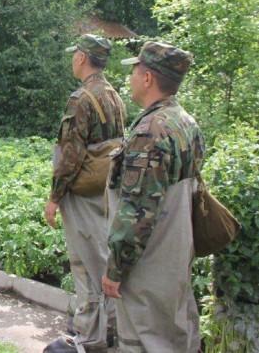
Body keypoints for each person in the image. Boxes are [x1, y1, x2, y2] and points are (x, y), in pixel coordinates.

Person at [102, 41, 202, 352]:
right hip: (176, 254)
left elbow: (137, 212)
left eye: (134, 71)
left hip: (149, 263)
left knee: (144, 339)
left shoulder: (150, 132)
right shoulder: (185, 121)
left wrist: (115, 269)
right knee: (175, 336)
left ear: (147, 78)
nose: (130, 77)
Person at [44, 34, 127, 353]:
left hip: (81, 193)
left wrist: (54, 197)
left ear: (81, 57)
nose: (72, 60)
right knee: (101, 256)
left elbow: (71, 154)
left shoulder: (81, 99)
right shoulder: (113, 95)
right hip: (105, 190)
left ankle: (89, 335)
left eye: (74, 55)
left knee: (85, 264)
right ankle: (107, 327)